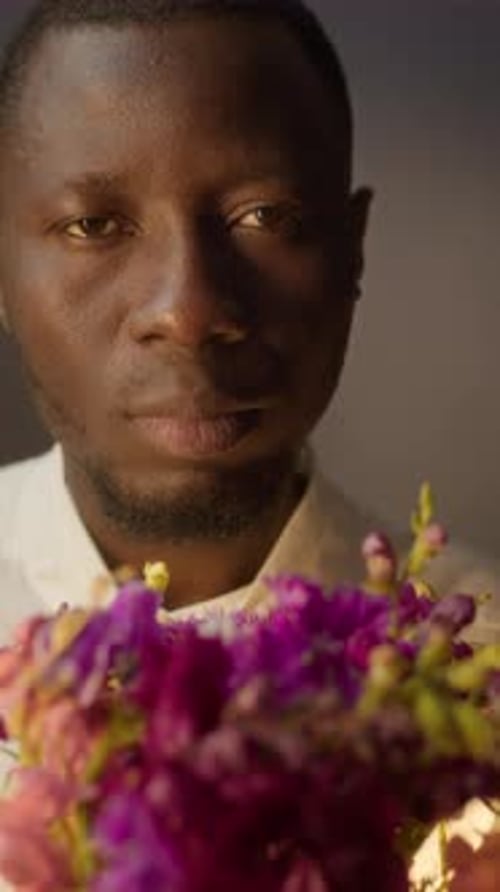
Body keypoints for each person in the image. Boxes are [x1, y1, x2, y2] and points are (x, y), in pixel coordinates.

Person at [0, 1, 497, 887]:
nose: (189, 312)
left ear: (351, 254)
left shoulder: (480, 673)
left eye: (264, 216)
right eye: (94, 226)